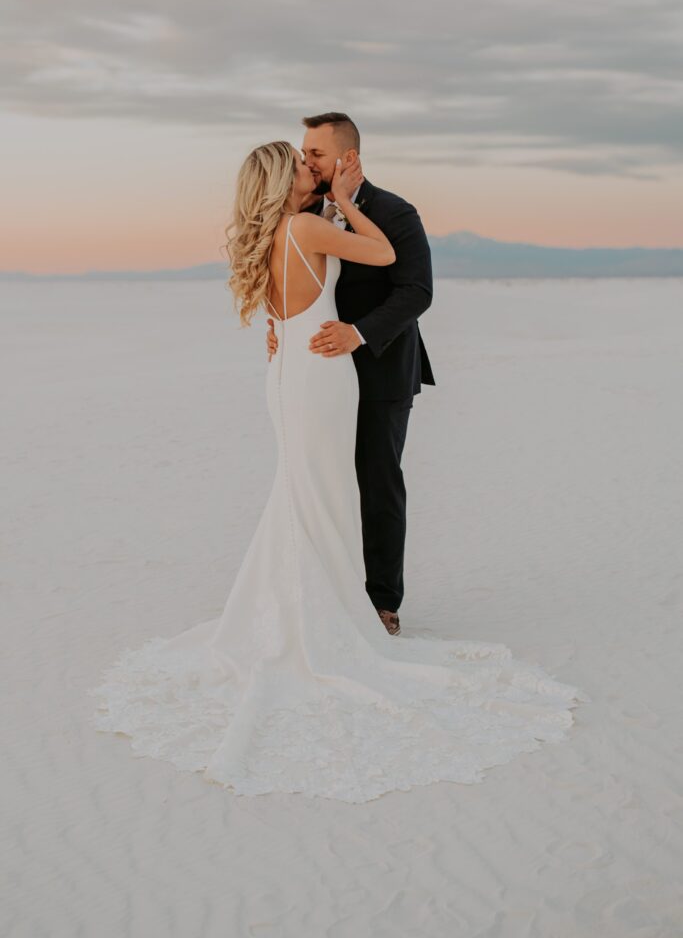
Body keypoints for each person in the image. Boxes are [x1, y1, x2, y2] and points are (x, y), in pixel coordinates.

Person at [90, 138, 587, 803]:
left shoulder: (272, 233)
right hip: (322, 375)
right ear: (282, 182)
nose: (310, 166)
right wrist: (350, 205)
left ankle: (304, 613)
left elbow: (284, 310)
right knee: (317, 496)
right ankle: (323, 624)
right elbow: (383, 256)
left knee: (303, 494)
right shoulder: (307, 225)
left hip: (289, 368)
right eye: (300, 164)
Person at [267, 112, 435, 636]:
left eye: (316, 154)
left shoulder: (394, 212)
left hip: (381, 371)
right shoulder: (305, 210)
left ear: (348, 157)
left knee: (377, 484)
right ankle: (326, 592)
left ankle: (382, 601)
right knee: (321, 481)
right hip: (318, 375)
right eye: (304, 154)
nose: (308, 163)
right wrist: (278, 327)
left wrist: (358, 333)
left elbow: (417, 291)